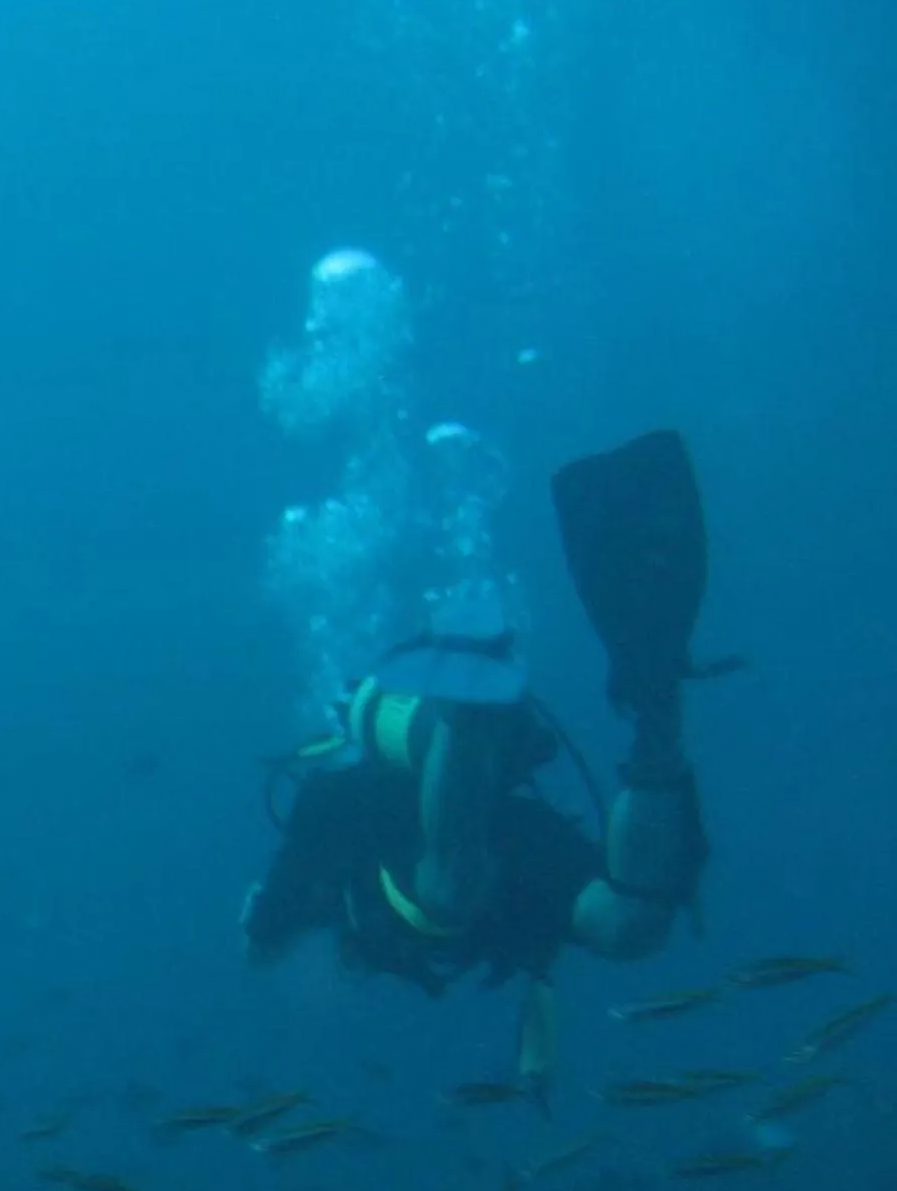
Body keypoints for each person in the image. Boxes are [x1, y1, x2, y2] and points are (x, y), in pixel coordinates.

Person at [241, 430, 717, 1100]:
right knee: (626, 924)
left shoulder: (332, 802)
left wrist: (261, 914)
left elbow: (262, 944)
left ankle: (467, 718)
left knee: (449, 892)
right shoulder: (337, 805)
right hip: (500, 828)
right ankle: (655, 707)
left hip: (462, 865)